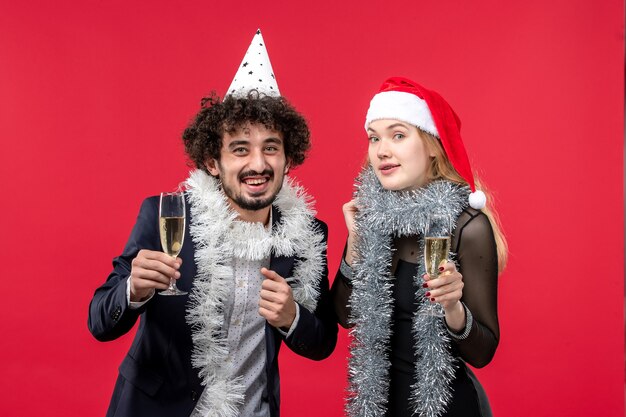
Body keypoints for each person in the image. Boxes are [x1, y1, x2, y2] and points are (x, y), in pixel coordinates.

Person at [88, 30, 337, 417]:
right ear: (211, 162)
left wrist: (293, 318)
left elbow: (322, 343)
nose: (258, 164)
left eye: (270, 147)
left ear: (288, 159)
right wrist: (133, 290)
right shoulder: (166, 217)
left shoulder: (307, 234)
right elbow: (100, 321)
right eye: (240, 149)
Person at [331, 76, 507, 417]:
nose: (382, 150)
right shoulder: (374, 218)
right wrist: (356, 244)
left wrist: (453, 307)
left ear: (431, 144)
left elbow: (483, 353)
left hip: (447, 408)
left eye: (398, 135)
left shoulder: (466, 226)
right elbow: (344, 316)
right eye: (374, 138)